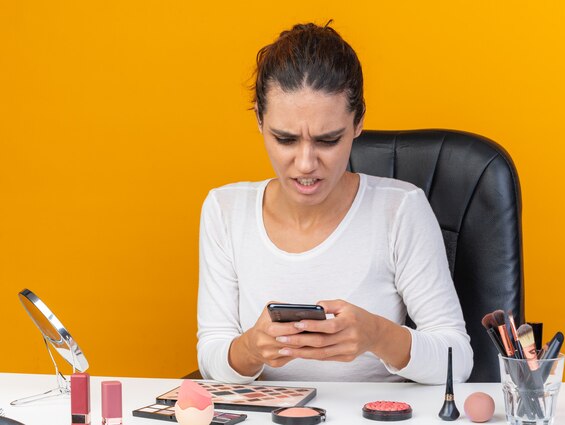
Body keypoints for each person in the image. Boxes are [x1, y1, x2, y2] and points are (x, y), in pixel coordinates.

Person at [197, 22, 473, 384]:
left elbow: (458, 359)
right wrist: (250, 348)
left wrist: (377, 335)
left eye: (328, 140)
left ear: (357, 123)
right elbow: (211, 358)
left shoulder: (401, 209)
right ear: (259, 121)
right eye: (285, 139)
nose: (306, 163)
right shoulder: (225, 211)